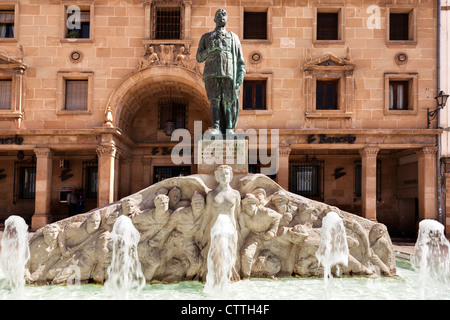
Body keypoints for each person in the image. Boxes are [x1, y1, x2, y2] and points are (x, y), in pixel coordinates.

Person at [196, 9, 246, 135]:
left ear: (227, 19)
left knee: (228, 101)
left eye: (224, 15)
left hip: (229, 74)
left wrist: (240, 78)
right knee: (215, 100)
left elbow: (240, 61)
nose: (221, 16)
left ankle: (229, 129)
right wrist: (210, 50)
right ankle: (216, 127)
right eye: (218, 15)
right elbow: (199, 57)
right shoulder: (206, 37)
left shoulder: (234, 38)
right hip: (211, 73)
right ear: (214, 20)